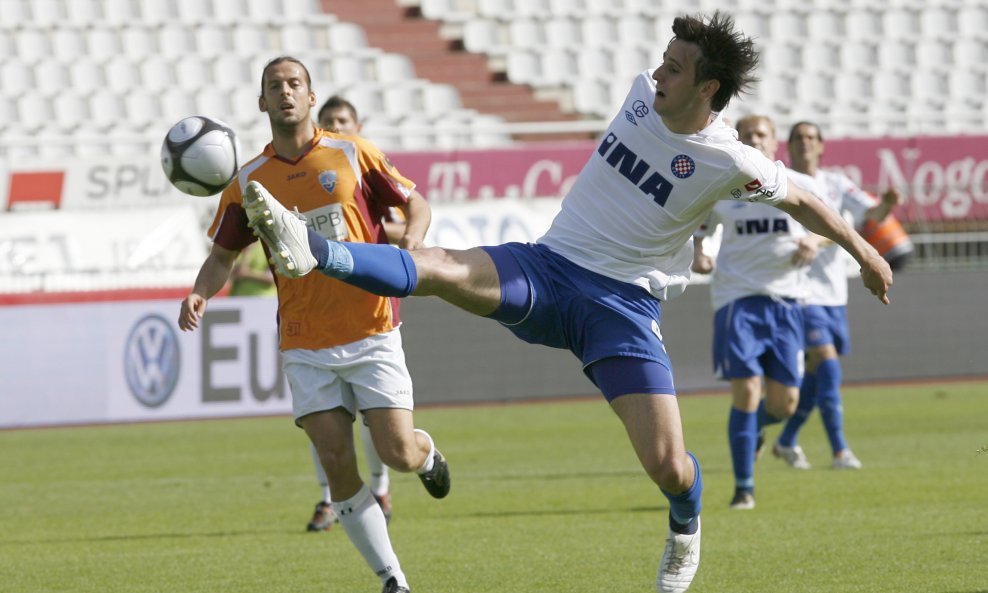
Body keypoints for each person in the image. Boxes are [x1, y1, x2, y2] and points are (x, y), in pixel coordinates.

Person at [240, 14, 893, 593]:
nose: (657, 74)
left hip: (622, 310)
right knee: (437, 267)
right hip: (548, 270)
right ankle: (312, 250)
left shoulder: (729, 159)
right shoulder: (643, 94)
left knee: (668, 465)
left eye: (675, 68)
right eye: (662, 61)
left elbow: (804, 198)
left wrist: (863, 251)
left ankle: (686, 524)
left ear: (708, 90)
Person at [178, 56, 447, 593]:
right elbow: (223, 256)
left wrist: (412, 243)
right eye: (274, 86)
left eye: (294, 84)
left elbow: (415, 202)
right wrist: (199, 291)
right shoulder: (249, 181)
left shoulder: (353, 153)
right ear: (261, 102)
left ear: (310, 95)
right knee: (334, 458)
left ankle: (427, 453)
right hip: (304, 340)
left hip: (370, 326)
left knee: (396, 451)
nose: (285, 92)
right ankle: (392, 578)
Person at [691, 114, 821, 510]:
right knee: (746, 391)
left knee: (784, 405)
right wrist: (699, 255)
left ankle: (756, 430)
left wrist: (815, 241)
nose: (755, 139)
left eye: (761, 134)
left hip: (788, 302)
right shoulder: (721, 185)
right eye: (747, 134)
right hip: (737, 300)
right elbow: (699, 230)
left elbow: (829, 227)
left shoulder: (800, 184)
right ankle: (743, 488)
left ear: (774, 140)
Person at [771, 121, 903, 470]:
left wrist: (887, 205)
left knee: (816, 376)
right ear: (789, 145)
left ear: (821, 146)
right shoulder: (782, 180)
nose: (805, 143)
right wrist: (814, 239)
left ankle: (783, 439)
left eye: (811, 138)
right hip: (798, 290)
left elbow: (869, 215)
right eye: (798, 138)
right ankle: (840, 451)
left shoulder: (836, 183)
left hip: (833, 292)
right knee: (827, 365)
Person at [302, 95, 397, 533]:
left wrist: (373, 233)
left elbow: (398, 222)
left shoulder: (366, 169)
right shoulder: (305, 171)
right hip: (314, 310)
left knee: (373, 415)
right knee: (323, 419)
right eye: (329, 122)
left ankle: (379, 487)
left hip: (368, 309)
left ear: (358, 125)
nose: (336, 126)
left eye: (343, 121)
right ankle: (327, 499)